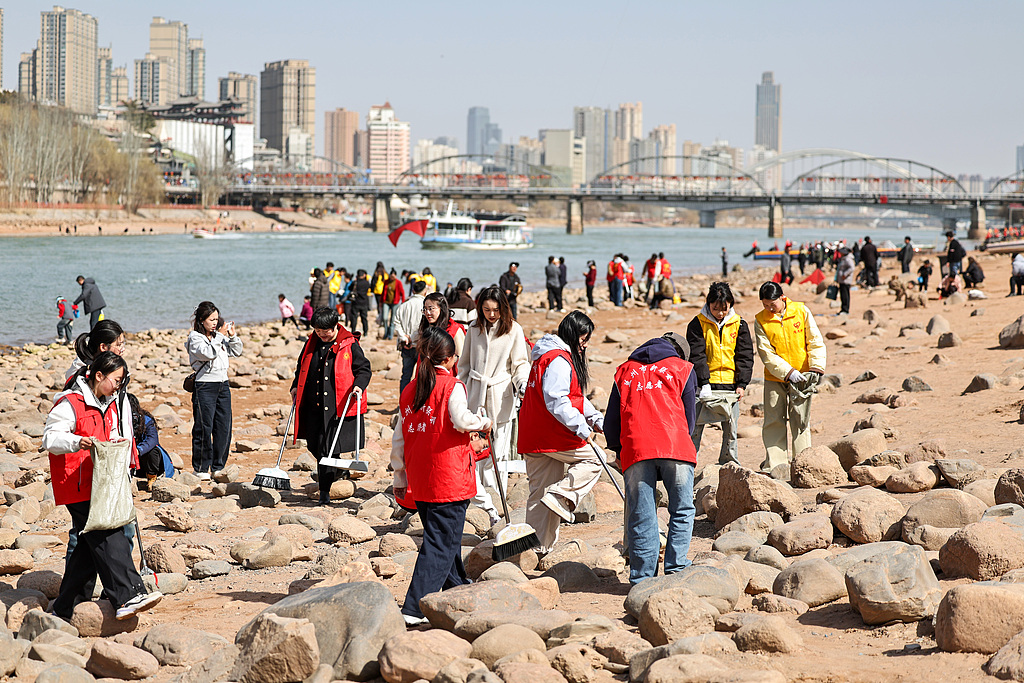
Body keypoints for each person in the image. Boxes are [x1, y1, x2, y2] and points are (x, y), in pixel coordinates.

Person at [43, 352, 163, 622]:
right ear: (99, 375)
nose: (119, 387)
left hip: (99, 483)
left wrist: (118, 443)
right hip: (75, 484)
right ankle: (128, 596)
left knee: (88, 548)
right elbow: (50, 438)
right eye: (117, 380)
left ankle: (66, 607)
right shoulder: (70, 403)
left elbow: (110, 434)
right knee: (109, 532)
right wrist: (77, 442)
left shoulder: (108, 403)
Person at [391, 326, 491, 626]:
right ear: (448, 359)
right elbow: (461, 420)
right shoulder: (451, 386)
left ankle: (456, 589)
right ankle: (413, 608)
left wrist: (400, 475)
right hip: (448, 478)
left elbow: (399, 437)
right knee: (441, 543)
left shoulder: (411, 388)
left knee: (443, 538)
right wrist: (482, 421)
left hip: (421, 476)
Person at [604, 334, 698, 584]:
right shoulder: (683, 368)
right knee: (682, 508)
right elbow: (690, 417)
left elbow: (611, 420)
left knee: (641, 512)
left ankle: (643, 578)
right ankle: (676, 567)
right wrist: (681, 439)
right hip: (675, 445)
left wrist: (618, 450)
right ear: (679, 353)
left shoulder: (623, 371)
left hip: (636, 449)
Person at [518, 311, 605, 552]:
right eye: (583, 339)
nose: (584, 345)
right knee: (597, 459)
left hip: (533, 434)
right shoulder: (558, 359)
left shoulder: (546, 356)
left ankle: (536, 550)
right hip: (551, 434)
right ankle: (563, 494)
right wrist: (582, 428)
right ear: (573, 334)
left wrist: (595, 418)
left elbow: (574, 396)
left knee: (539, 495)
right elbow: (557, 400)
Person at [458, 286, 530, 526]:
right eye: (486, 309)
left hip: (501, 396)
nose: (491, 314)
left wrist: (522, 384)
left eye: (495, 310)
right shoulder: (473, 329)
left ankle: (495, 500)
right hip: (475, 394)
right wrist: (458, 392)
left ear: (503, 309)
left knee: (498, 451)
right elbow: (464, 366)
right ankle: (480, 500)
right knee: (476, 448)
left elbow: (520, 364)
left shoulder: (514, 330)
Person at [291, 307, 371, 506]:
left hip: (336, 407)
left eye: (325, 331)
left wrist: (359, 386)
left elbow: (364, 369)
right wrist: (294, 386)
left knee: (326, 450)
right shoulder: (311, 342)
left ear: (335, 326)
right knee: (313, 445)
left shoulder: (349, 344)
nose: (321, 335)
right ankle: (338, 469)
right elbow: (301, 367)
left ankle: (325, 493)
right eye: (318, 331)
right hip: (312, 406)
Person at [754, 282, 827, 473]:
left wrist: (816, 368)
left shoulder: (801, 311)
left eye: (772, 304)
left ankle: (803, 461)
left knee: (800, 419)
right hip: (775, 377)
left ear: (782, 297)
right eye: (765, 305)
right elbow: (766, 353)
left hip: (802, 376)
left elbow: (814, 340)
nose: (769, 309)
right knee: (773, 419)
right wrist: (788, 372)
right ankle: (776, 464)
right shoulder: (761, 320)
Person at [686, 283, 753, 466]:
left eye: (724, 308)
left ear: (731, 304)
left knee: (731, 430)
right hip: (703, 387)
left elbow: (745, 355)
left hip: (730, 386)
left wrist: (742, 384)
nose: (720, 313)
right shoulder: (697, 323)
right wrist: (704, 383)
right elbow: (696, 355)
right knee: (695, 429)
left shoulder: (739, 324)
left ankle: (729, 465)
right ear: (708, 304)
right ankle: (688, 465)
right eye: (715, 308)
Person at [185, 302, 243, 480]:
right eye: (211, 320)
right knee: (204, 427)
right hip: (205, 385)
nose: (215, 323)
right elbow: (208, 353)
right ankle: (201, 468)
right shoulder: (195, 338)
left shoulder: (219, 336)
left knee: (223, 427)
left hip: (223, 384)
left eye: (217, 319)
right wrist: (220, 337)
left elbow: (237, 351)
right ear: (201, 320)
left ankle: (218, 466)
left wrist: (232, 336)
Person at [129, 393, 173, 491]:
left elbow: (152, 440)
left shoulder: (146, 420)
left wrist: (138, 450)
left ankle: (152, 477)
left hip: (146, 462)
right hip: (131, 465)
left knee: (153, 450)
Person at [394, 280, 428, 392]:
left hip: (406, 345)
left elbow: (397, 323)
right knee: (421, 377)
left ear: (413, 291)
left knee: (405, 376)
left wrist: (403, 337)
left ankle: (403, 400)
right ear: (425, 291)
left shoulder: (403, 305)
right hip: (420, 346)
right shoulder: (426, 306)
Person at [419, 293, 466, 374]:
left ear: (442, 308)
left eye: (431, 309)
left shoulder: (454, 329)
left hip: (448, 376)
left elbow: (462, 359)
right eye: (425, 309)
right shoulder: (426, 328)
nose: (427, 313)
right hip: (427, 375)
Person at [382, 269, 406, 338]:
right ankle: (386, 332)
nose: (392, 277)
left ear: (395, 276)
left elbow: (402, 292)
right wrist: (381, 301)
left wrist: (403, 301)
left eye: (393, 276)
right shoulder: (386, 282)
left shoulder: (398, 282)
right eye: (391, 276)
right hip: (386, 302)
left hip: (395, 303)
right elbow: (383, 292)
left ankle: (390, 335)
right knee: (385, 318)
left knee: (392, 319)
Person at [350, 269, 371, 336]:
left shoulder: (355, 283)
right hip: (364, 302)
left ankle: (353, 331)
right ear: (364, 275)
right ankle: (365, 332)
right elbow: (369, 288)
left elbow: (350, 288)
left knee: (354, 318)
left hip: (356, 302)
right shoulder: (366, 283)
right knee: (364, 318)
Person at [836, 247, 856, 315]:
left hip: (846, 280)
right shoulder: (844, 258)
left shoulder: (848, 259)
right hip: (842, 280)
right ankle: (843, 309)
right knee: (843, 295)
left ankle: (845, 310)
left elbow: (852, 268)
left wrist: (845, 274)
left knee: (845, 295)